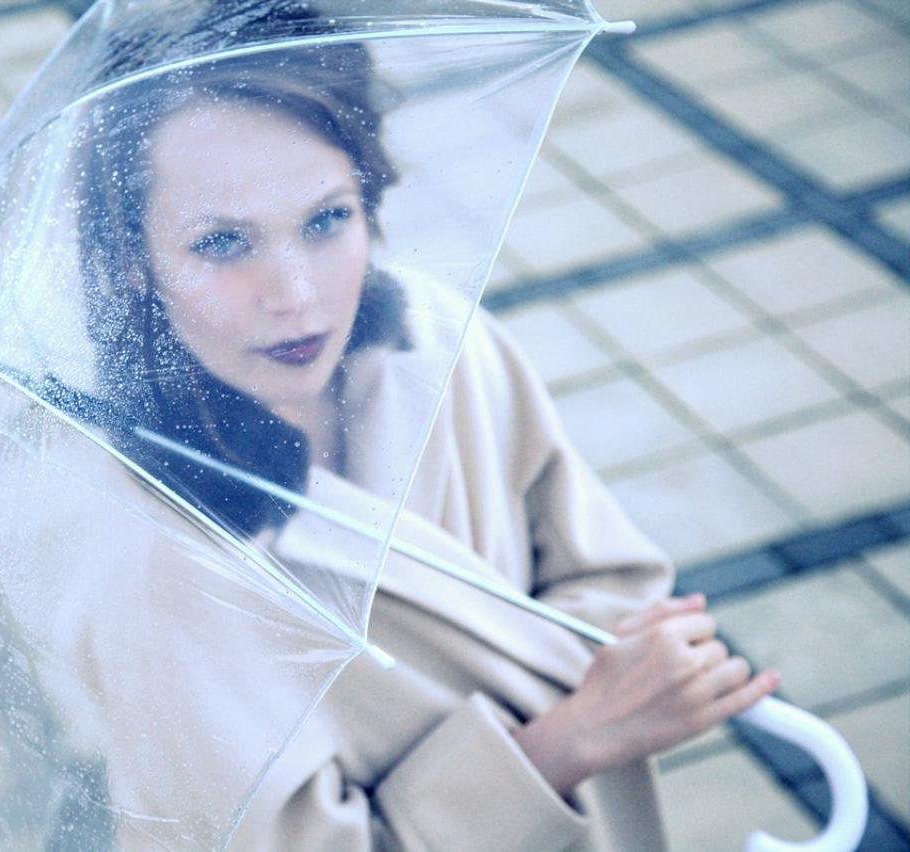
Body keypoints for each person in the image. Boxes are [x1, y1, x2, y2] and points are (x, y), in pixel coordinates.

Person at [69, 5, 781, 849]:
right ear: (133, 260)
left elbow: (614, 573)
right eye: (223, 243)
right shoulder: (149, 557)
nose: (296, 293)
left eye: (327, 219)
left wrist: (628, 683)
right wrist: (567, 738)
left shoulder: (439, 345)